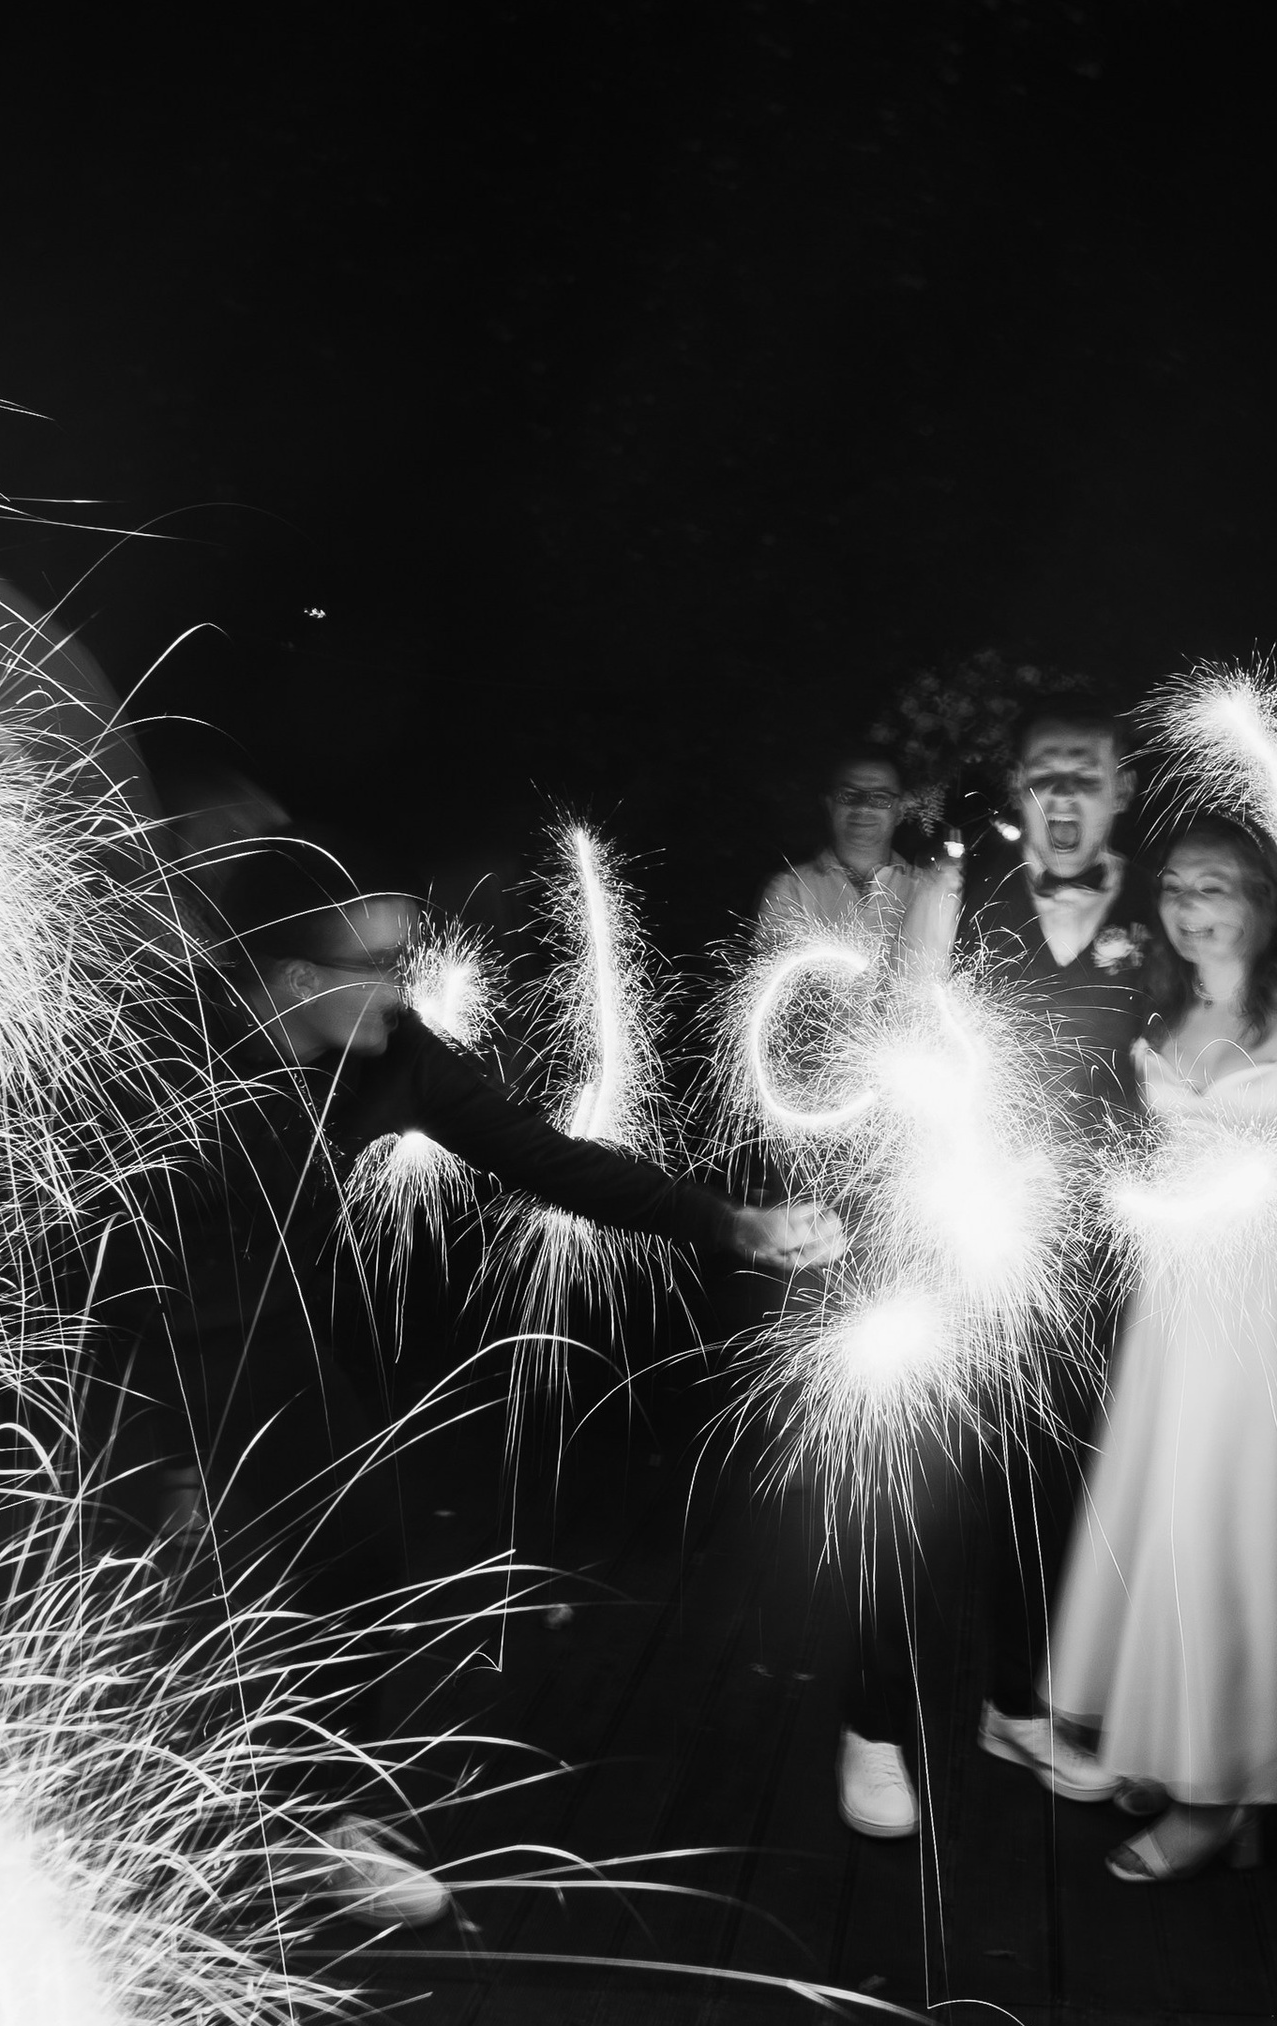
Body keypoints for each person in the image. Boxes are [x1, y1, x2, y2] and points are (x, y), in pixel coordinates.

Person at [103, 832, 842, 1920]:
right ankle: (128, 1847)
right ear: (297, 980)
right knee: (148, 1590)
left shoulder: (391, 1052)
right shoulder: (171, 1066)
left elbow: (546, 1157)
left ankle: (311, 1819)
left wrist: (730, 1223)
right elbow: (111, 1276)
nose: (404, 990)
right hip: (134, 1358)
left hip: (271, 1337)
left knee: (359, 1550)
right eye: (377, 966)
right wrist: (166, 1459)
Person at [1053, 814, 1277, 1880]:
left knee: (1234, 1510)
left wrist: (1256, 1176)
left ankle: (1220, 1791)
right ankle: (1186, 1741)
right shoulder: (1165, 1001)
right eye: (1177, 886)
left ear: (1262, 895)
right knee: (1173, 1502)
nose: (1191, 906)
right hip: (1179, 1292)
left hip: (1268, 1286)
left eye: (1218, 885)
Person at [832, 701, 1157, 1840]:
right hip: (952, 1234)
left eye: (1085, 775)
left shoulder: (1160, 914)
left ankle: (1015, 1704)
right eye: (1043, 776)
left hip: (1081, 1253)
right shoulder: (962, 890)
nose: (1063, 796)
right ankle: (872, 1721)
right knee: (917, 1480)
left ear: (1119, 791)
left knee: (1048, 1485)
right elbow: (894, 1027)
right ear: (1018, 792)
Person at [756, 745, 953, 973]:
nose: (864, 806)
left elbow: (930, 977)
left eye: (880, 798)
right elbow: (782, 978)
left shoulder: (925, 891)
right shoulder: (791, 889)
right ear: (829, 804)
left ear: (899, 811)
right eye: (849, 795)